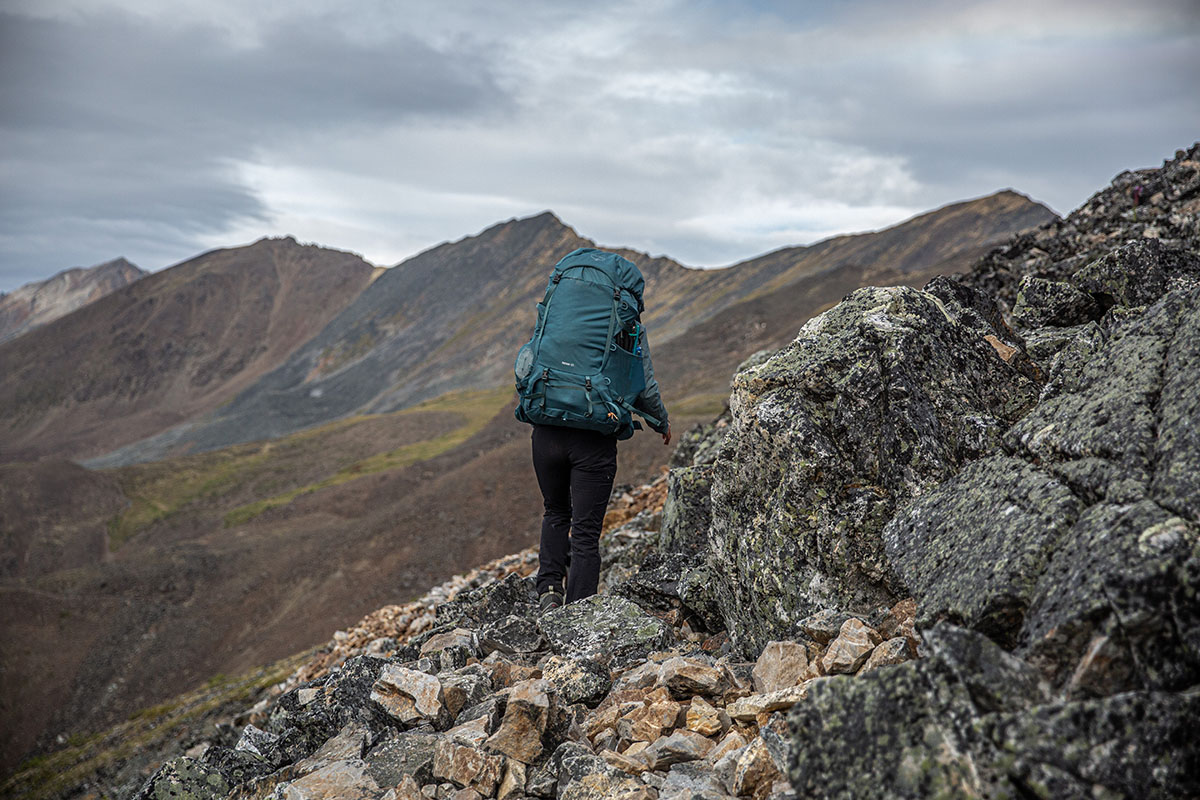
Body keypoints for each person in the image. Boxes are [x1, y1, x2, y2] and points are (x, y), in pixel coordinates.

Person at [529, 276, 671, 613]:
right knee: (586, 532)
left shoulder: (558, 314)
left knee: (555, 510)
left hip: (547, 429)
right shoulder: (626, 324)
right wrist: (660, 421)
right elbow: (645, 383)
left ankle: (549, 589)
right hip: (593, 438)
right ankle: (576, 616)